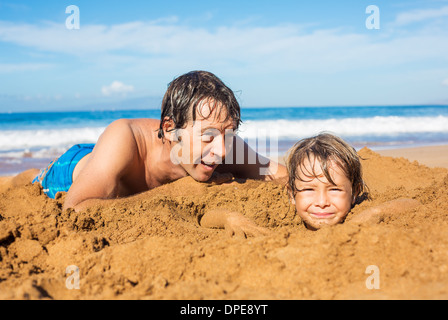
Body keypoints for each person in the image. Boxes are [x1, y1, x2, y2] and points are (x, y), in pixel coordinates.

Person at [32, 71, 287, 221]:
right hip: (73, 168)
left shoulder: (221, 141)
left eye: (229, 134)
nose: (222, 150)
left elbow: (281, 176)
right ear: (169, 129)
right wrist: (179, 193)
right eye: (207, 136)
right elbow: (75, 207)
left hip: (112, 159)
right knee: (29, 181)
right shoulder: (125, 136)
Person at [285, 133, 419, 230]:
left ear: (354, 192)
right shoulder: (286, 233)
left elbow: (413, 204)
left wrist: (373, 214)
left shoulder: (360, 221)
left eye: (334, 189)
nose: (322, 202)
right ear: (292, 194)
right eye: (309, 189)